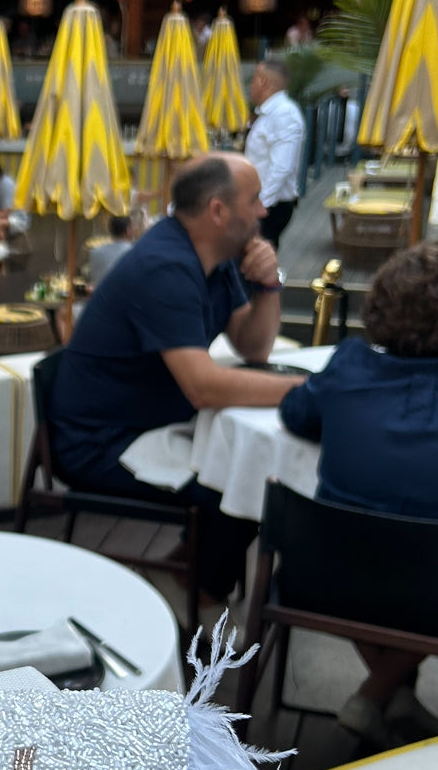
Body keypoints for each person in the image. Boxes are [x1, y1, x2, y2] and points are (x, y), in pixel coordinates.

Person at [281, 242, 438, 746]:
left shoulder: (347, 366)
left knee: (367, 550)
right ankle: (383, 697)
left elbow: (296, 414)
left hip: (323, 578)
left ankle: (381, 694)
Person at [48, 155, 305, 599]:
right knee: (243, 480)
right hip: (102, 443)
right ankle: (200, 590)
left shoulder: (214, 258)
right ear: (218, 211)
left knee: (251, 471)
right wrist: (308, 391)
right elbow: (204, 388)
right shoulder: (166, 267)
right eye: (255, 199)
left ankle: (193, 570)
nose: (264, 211)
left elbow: (253, 346)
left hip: (154, 425)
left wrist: (267, 287)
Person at [244, 59, 306, 249]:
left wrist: (261, 203)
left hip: (271, 206)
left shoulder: (284, 114)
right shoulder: (270, 113)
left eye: (254, 79)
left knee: (257, 261)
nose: (250, 86)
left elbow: (281, 167)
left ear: (263, 82)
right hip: (261, 202)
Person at [87, 213, 136, 286]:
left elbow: (92, 279)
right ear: (128, 230)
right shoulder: (134, 254)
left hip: (100, 296)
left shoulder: (95, 252)